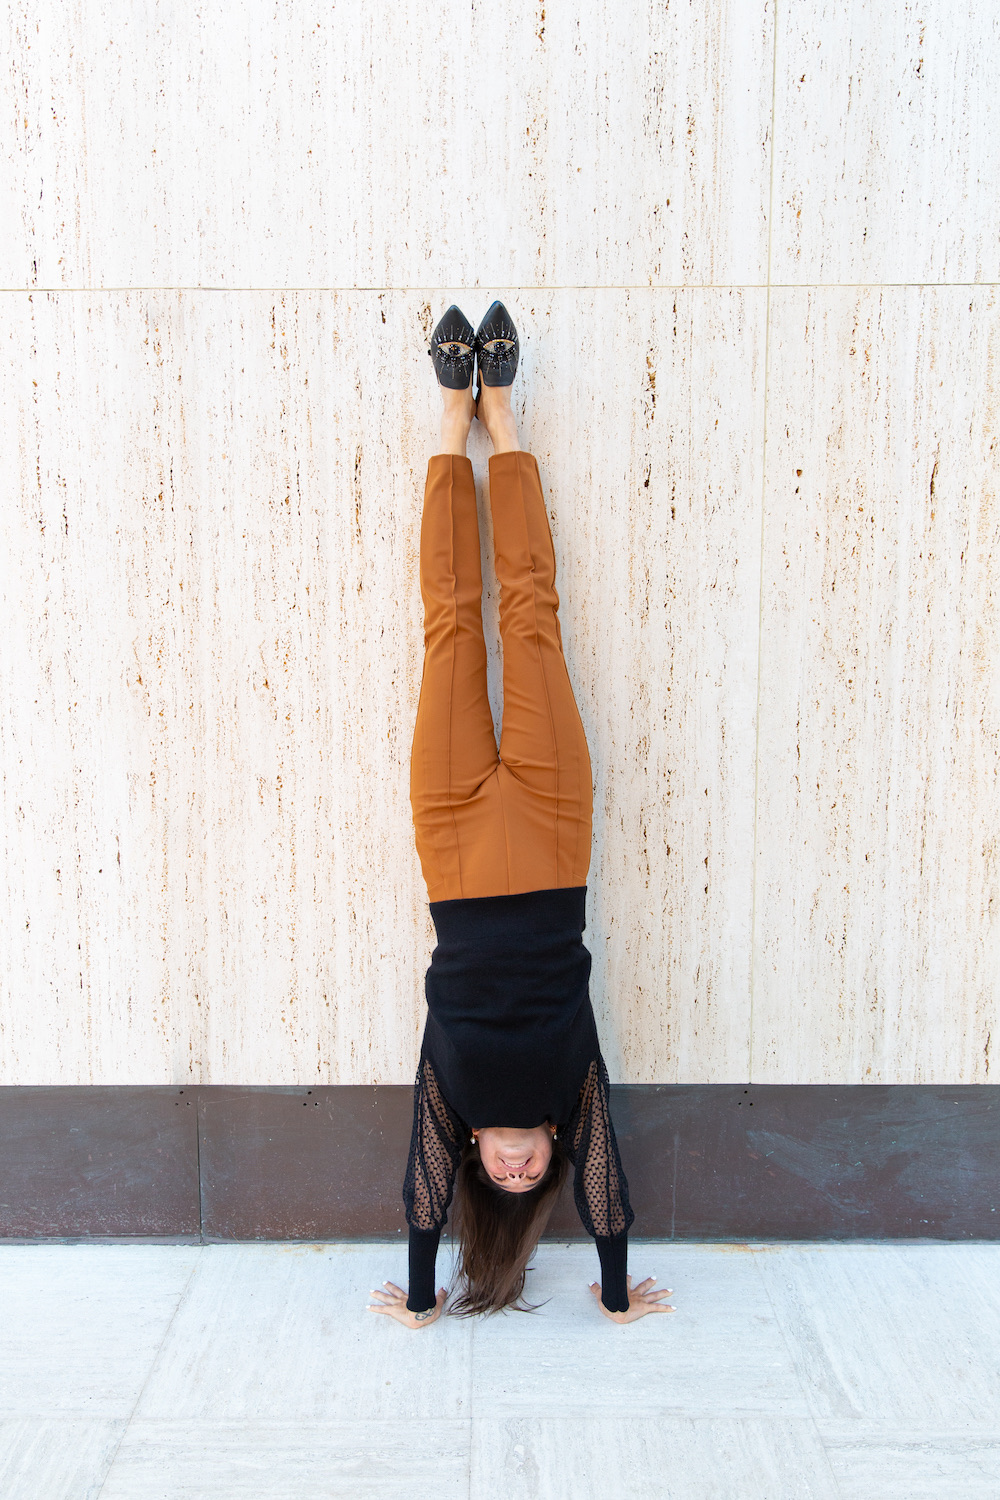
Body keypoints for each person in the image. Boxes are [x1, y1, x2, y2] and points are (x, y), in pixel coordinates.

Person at [368, 303, 675, 1329]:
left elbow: (420, 1195)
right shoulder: (570, 1083)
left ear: (471, 1158)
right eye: (527, 1173)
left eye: (493, 1177)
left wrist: (421, 1298)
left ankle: (448, 423)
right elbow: (609, 1192)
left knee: (449, 630)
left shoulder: (447, 1093)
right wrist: (618, 1290)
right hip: (551, 830)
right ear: (548, 1154)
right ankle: (503, 415)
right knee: (530, 615)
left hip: (451, 843)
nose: (510, 1166)